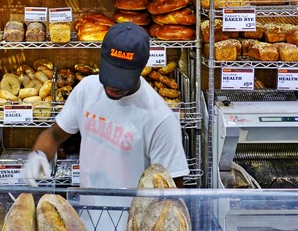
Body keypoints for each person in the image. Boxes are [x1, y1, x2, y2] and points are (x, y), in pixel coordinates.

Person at [21, 22, 189, 228]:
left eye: (122, 79)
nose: (112, 86)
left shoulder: (160, 119)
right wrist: (39, 155)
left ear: (141, 68)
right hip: (86, 221)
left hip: (132, 225)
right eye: (109, 75)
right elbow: (54, 135)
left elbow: (171, 199)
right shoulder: (87, 90)